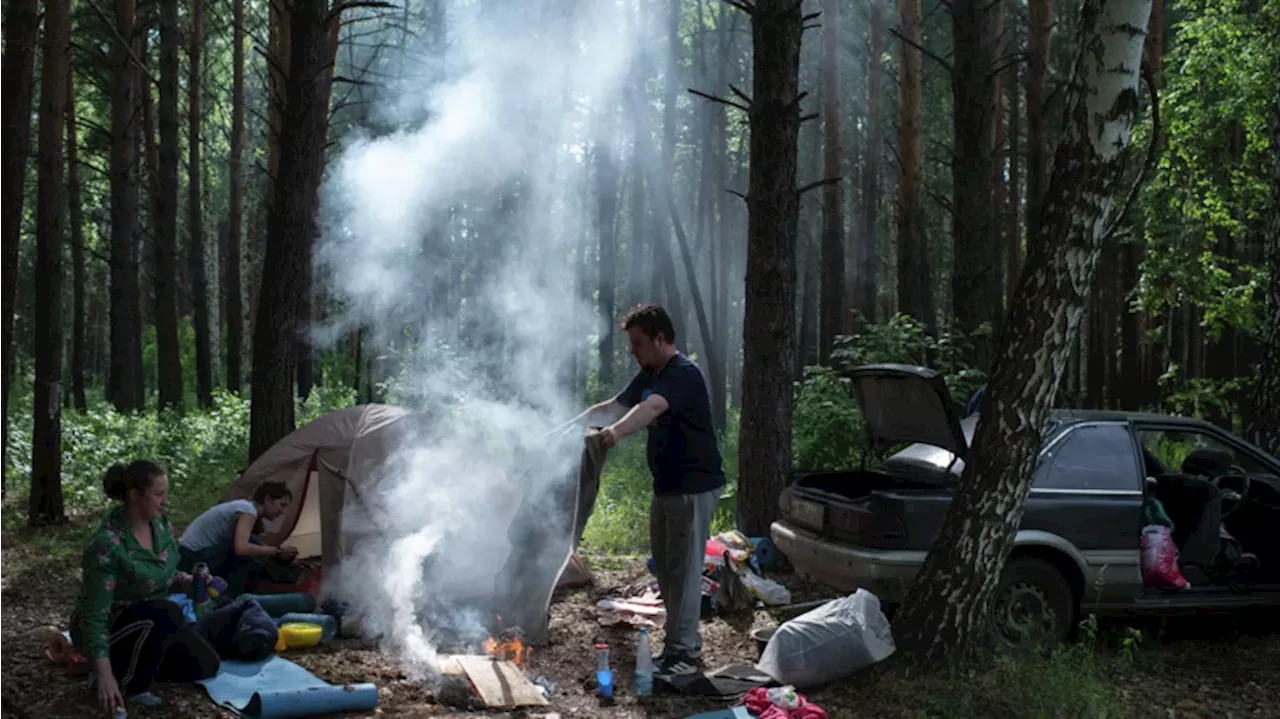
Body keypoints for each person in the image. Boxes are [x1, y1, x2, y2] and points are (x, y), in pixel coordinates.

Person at [567, 304, 725, 677]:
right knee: (668, 570)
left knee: (684, 571)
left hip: (693, 487)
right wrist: (565, 430)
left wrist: (613, 435)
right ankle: (677, 646)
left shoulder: (681, 373)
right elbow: (613, 406)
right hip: (667, 487)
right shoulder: (650, 372)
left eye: (638, 344)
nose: (633, 352)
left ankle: (683, 655)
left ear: (660, 339)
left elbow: (650, 408)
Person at [71, 460, 221, 715]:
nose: (165, 502)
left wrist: (189, 582)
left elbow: (164, 574)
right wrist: (104, 674)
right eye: (158, 494)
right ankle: (123, 681)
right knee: (166, 612)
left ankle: (135, 664)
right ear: (134, 496)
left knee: (206, 665)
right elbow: (93, 615)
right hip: (113, 625)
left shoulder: (160, 526)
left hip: (154, 620)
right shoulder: (108, 545)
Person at [177, 481, 299, 596]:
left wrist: (275, 552)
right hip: (193, 559)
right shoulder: (248, 511)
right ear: (268, 499)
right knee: (247, 558)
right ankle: (233, 597)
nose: (282, 512)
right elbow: (241, 548)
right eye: (281, 505)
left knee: (254, 544)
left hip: (189, 554)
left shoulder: (245, 506)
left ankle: (282, 577)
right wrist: (277, 551)